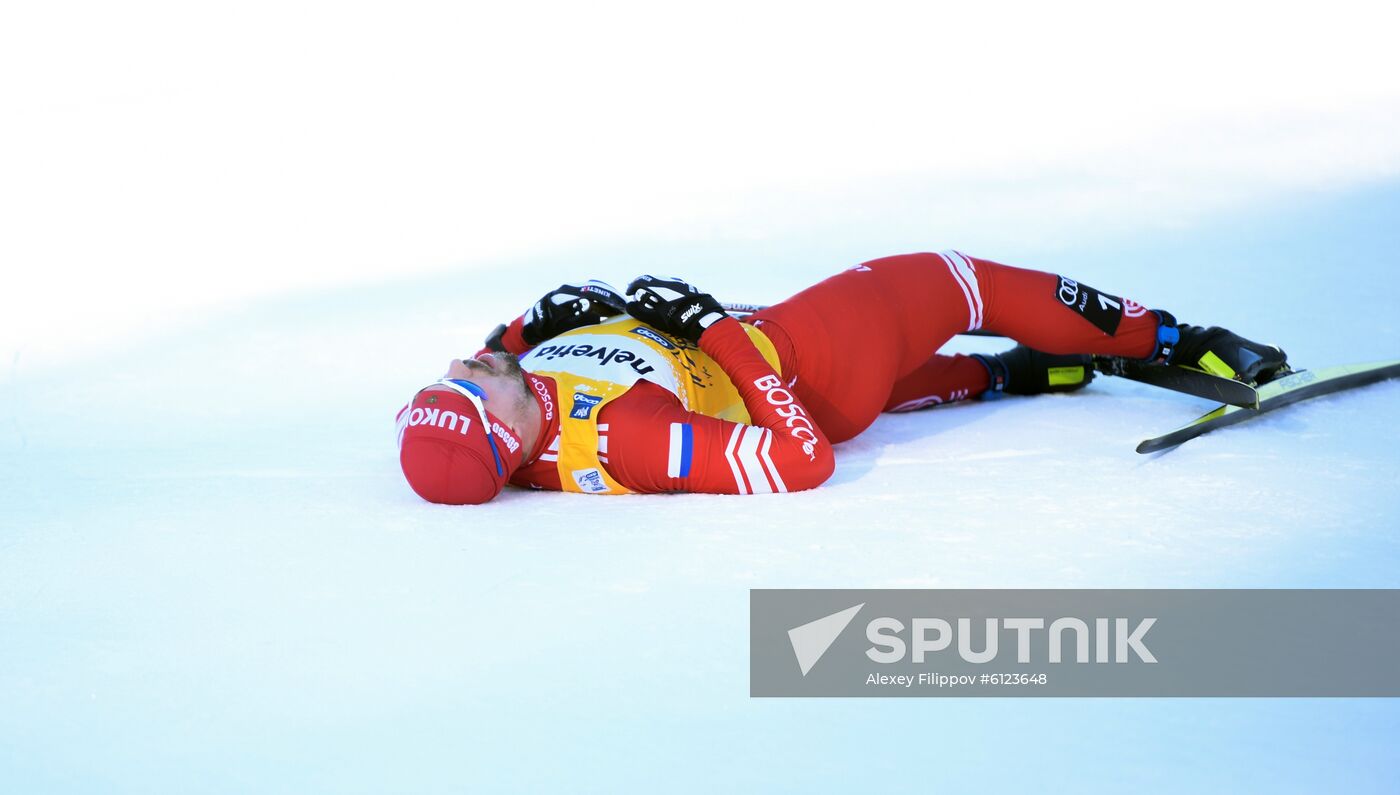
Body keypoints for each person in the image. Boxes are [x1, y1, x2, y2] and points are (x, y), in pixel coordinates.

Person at [395, 251, 1288, 504]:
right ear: (506, 434)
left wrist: (531, 323)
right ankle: (1181, 337)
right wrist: (711, 328)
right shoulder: (628, 439)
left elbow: (527, 360)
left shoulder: (519, 396)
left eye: (444, 378)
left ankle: (1023, 371)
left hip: (784, 361)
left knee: (919, 370)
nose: (464, 362)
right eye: (470, 383)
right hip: (802, 355)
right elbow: (803, 458)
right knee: (956, 280)